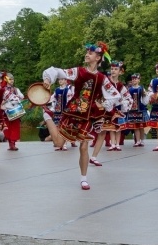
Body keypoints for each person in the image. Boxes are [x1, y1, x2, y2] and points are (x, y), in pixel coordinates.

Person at [42, 42, 126, 190]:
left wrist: (103, 104)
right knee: (58, 143)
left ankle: (84, 178)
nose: (87, 54)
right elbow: (58, 71)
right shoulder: (78, 71)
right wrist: (48, 79)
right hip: (72, 112)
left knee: (84, 146)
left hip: (88, 116)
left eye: (91, 53)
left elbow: (115, 95)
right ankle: (47, 116)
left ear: (98, 57)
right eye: (87, 52)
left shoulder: (102, 78)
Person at [89, 61, 132, 164]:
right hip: (100, 110)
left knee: (102, 133)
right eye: (112, 69)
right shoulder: (105, 81)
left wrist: (121, 102)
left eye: (116, 69)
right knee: (96, 130)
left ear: (121, 72)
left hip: (110, 113)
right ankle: (89, 154)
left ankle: (94, 157)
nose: (113, 71)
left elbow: (129, 99)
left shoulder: (121, 86)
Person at [44, 78, 74, 150]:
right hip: (57, 111)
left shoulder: (69, 89)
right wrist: (47, 102)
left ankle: (64, 144)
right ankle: (58, 143)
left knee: (64, 127)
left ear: (66, 81)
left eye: (62, 79)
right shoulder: (57, 89)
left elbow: (71, 100)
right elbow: (52, 99)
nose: (60, 81)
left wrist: (70, 110)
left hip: (65, 111)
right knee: (57, 127)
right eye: (59, 80)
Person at [2, 73, 25, 151]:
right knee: (7, 127)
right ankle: (10, 143)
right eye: (10, 79)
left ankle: (13, 143)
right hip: (6, 111)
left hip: (15, 110)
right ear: (6, 79)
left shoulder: (15, 89)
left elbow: (22, 96)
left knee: (15, 127)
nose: (12, 81)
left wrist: (17, 97)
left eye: (13, 79)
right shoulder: (2, 89)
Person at [125, 73, 148, 147]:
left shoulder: (141, 88)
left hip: (140, 109)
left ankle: (142, 140)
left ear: (139, 80)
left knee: (141, 126)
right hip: (132, 110)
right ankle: (137, 141)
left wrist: (145, 95)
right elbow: (127, 99)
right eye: (133, 79)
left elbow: (145, 99)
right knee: (135, 126)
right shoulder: (129, 89)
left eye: (135, 79)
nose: (134, 80)